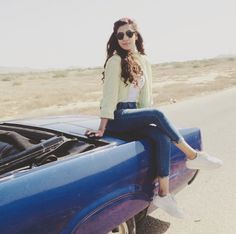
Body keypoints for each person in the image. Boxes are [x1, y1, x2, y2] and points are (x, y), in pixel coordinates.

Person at [85, 17, 223, 218]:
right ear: (116, 38)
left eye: (129, 33)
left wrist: (146, 118)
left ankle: (164, 194)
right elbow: (108, 98)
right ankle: (193, 156)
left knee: (161, 137)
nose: (125, 38)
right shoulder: (115, 61)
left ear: (136, 35)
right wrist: (102, 127)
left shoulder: (142, 61)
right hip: (118, 117)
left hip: (133, 115)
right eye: (120, 35)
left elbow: (145, 98)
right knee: (158, 114)